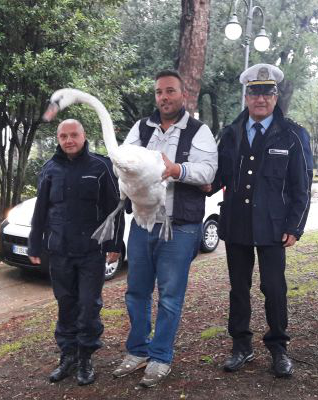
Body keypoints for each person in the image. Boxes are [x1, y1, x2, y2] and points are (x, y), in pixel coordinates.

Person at [112, 70, 218, 387]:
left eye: (170, 91)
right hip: (143, 223)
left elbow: (208, 170)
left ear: (182, 95)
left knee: (170, 296)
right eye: (159, 92)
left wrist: (176, 170)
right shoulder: (141, 129)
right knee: (136, 292)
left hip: (180, 226)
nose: (164, 98)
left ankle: (160, 357)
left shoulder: (199, 131)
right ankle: (137, 351)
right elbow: (122, 159)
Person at [209, 64, 313, 378]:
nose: (260, 99)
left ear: (275, 95)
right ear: (246, 96)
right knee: (238, 289)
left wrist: (295, 226)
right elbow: (216, 176)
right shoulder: (231, 132)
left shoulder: (293, 134)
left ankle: (279, 348)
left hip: (274, 227)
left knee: (274, 288)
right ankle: (241, 346)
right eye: (254, 92)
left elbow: (302, 185)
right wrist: (180, 177)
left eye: (267, 92)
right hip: (237, 224)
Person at [27, 119, 124, 386]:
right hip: (60, 250)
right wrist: (35, 244)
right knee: (66, 303)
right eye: (63, 136)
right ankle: (67, 355)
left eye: (74, 135)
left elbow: (113, 209)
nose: (69, 140)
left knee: (89, 305)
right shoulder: (49, 169)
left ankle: (85, 357)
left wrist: (115, 244)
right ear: (58, 139)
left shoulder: (101, 166)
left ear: (83, 136)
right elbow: (41, 211)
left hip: (91, 251)